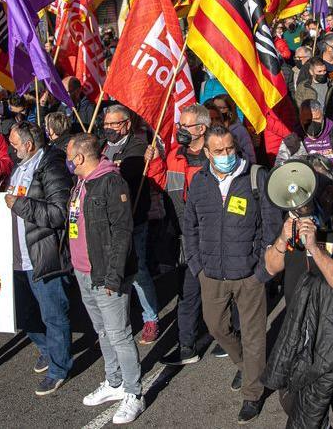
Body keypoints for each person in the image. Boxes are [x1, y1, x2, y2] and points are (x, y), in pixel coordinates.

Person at [262, 155, 333, 427]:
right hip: (300, 331)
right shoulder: (293, 220)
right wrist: (283, 238)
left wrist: (316, 250)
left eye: (315, 188)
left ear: (329, 188)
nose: (306, 199)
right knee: (296, 402)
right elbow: (271, 267)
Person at [183, 125, 277, 424]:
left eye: (230, 150)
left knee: (253, 336)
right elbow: (191, 227)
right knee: (217, 328)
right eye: (219, 152)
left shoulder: (256, 177)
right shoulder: (199, 181)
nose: (226, 156)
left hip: (249, 275)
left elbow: (271, 227)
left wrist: (261, 269)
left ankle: (253, 393)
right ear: (206, 153)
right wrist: (197, 266)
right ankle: (248, 366)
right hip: (211, 274)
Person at [65, 133, 144, 425]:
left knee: (119, 334)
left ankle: (134, 392)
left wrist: (113, 277)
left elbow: (122, 231)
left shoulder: (111, 183)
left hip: (106, 275)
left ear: (81, 158)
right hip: (82, 271)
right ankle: (114, 382)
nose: (67, 160)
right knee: (102, 331)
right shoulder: (82, 182)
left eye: (70, 155)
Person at [6, 122, 75, 395]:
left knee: (53, 315)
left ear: (29, 145)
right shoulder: (21, 167)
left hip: (43, 254)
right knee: (22, 314)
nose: (11, 149)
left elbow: (59, 213)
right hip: (17, 256)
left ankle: (59, 368)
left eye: (14, 144)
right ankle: (49, 349)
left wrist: (20, 204)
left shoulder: (51, 166)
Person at [101, 106, 165, 346]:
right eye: (105, 125)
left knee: (138, 273)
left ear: (126, 124)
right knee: (112, 273)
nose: (108, 129)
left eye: (113, 125)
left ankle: (150, 318)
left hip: (132, 220)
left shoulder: (138, 147)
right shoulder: (103, 147)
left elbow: (124, 177)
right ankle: (117, 322)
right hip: (106, 223)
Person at [162, 104, 211, 366]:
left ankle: (233, 335)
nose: (180, 130)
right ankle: (187, 346)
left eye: (185, 125)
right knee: (187, 294)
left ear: (201, 129)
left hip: (214, 239)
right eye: (180, 125)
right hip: (185, 238)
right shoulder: (174, 156)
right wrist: (154, 162)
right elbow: (164, 187)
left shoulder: (216, 155)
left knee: (224, 292)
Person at [276, 99, 333, 201]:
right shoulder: (291, 142)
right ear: (300, 118)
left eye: (316, 119)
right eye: (307, 121)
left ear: (323, 116)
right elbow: (280, 173)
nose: (312, 125)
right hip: (309, 204)